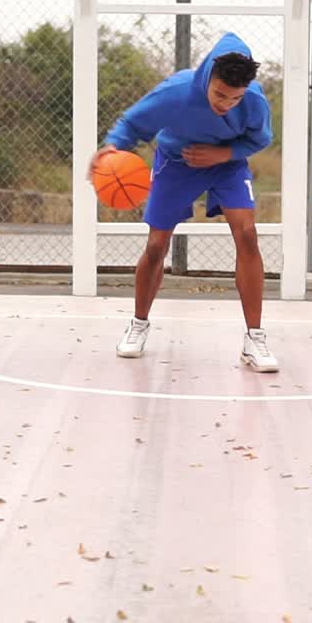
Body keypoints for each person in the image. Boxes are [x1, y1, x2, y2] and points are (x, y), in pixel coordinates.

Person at [89, 32, 279, 372]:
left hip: (227, 165)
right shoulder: (176, 91)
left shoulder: (253, 100)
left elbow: (260, 139)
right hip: (176, 163)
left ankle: (255, 338)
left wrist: (223, 154)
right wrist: (113, 145)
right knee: (156, 245)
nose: (226, 104)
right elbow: (132, 122)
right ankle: (138, 324)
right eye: (220, 94)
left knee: (248, 235)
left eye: (234, 98)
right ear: (207, 78)